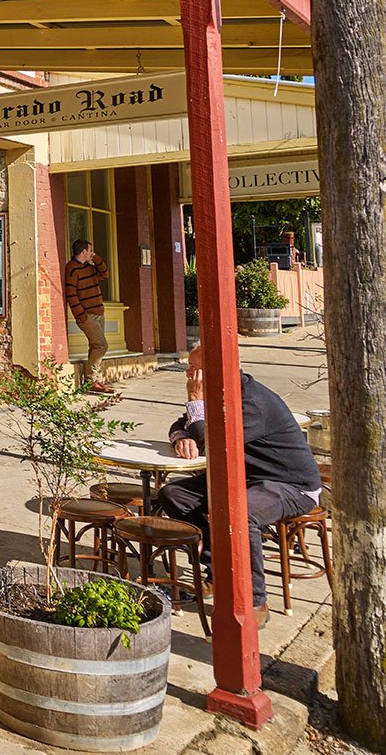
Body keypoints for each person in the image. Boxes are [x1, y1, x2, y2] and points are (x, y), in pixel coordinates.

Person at [153, 344, 322, 627]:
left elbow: (212, 443)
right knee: (173, 494)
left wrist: (195, 401)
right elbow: (182, 423)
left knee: (241, 514)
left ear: (216, 372)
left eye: (195, 370)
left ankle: (255, 601)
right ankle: (217, 573)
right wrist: (182, 436)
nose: (189, 376)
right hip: (246, 480)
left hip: (290, 485)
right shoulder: (219, 393)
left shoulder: (252, 402)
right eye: (189, 369)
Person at [64, 239, 113, 392]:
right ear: (84, 251)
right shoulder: (71, 269)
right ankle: (92, 380)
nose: (92, 253)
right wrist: (81, 315)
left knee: (95, 346)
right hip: (87, 316)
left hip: (99, 312)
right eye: (90, 251)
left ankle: (94, 381)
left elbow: (105, 274)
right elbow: (71, 294)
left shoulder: (89, 268)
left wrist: (96, 258)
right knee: (101, 345)